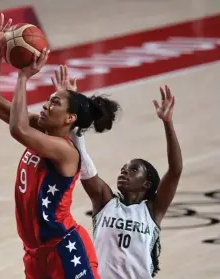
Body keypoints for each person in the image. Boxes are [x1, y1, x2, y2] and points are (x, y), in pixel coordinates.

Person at [0, 13, 120, 279]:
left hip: (65, 251)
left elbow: (17, 128)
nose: (45, 105)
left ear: (70, 119)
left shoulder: (66, 151)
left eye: (54, 103)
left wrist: (23, 77)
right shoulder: (39, 126)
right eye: (48, 100)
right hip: (35, 252)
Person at [75, 85, 183, 278]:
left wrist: (168, 123)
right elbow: (82, 161)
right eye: (123, 169)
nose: (124, 172)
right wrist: (74, 111)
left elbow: (175, 171)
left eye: (133, 170)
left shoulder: (152, 210)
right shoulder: (105, 202)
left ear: (147, 184)